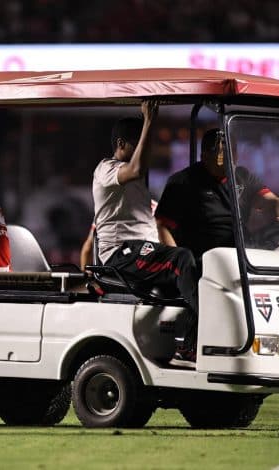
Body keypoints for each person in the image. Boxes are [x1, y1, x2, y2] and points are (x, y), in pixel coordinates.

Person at [93, 100, 199, 361]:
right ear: (121, 144)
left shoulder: (137, 183)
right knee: (181, 260)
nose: (145, 150)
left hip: (140, 250)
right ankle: (202, 336)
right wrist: (150, 120)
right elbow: (137, 167)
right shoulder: (106, 169)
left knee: (197, 261)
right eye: (138, 143)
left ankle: (189, 335)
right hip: (120, 253)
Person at [155, 128, 279, 262]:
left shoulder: (243, 177)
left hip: (242, 257)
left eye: (232, 151)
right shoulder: (182, 182)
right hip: (203, 261)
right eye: (221, 153)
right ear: (205, 156)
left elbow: (271, 201)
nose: (229, 158)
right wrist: (181, 264)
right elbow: (163, 227)